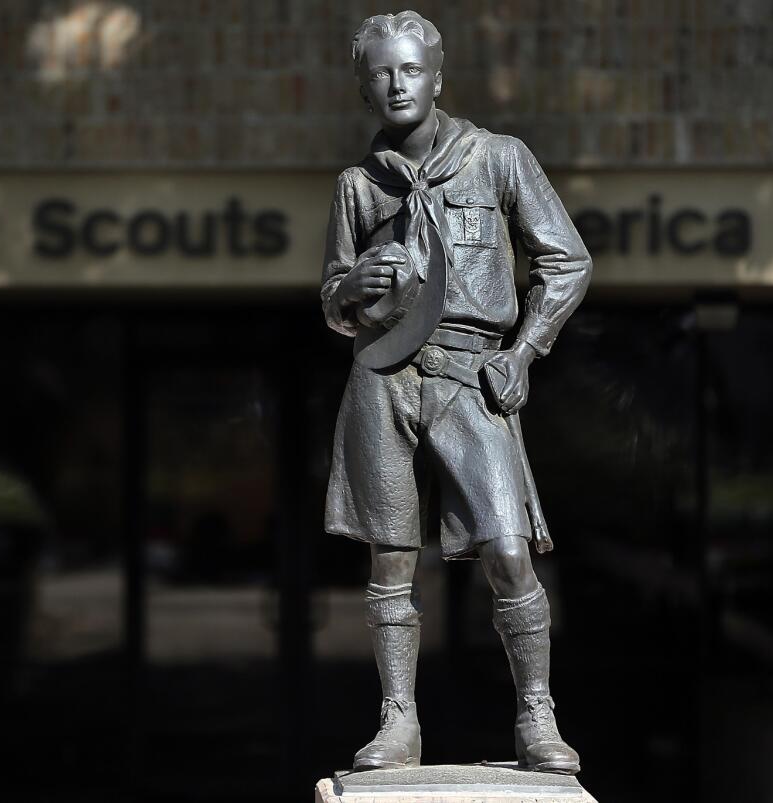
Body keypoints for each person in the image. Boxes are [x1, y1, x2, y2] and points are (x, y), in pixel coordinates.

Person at [320, 11, 593, 774]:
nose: (397, 83)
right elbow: (331, 301)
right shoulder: (357, 186)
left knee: (508, 549)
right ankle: (397, 714)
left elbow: (566, 262)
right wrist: (353, 288)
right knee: (390, 558)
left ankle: (536, 711)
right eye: (381, 72)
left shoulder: (498, 159)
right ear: (363, 85)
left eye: (411, 69)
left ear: (439, 78)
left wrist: (525, 351)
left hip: (470, 373)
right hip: (383, 375)